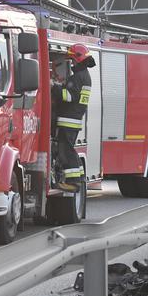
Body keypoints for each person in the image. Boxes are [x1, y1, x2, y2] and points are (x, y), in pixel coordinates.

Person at [50, 43, 96, 192]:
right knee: (69, 150)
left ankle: (73, 182)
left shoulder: (78, 77)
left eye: (73, 60)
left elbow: (69, 96)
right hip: (73, 120)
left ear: (78, 59)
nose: (72, 63)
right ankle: (79, 179)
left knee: (66, 151)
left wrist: (53, 87)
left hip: (68, 121)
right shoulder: (84, 77)